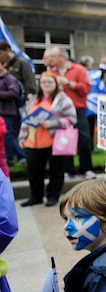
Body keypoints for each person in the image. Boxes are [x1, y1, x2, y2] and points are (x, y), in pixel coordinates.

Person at [18, 71, 77, 206]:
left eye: (50, 82)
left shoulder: (63, 99)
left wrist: (53, 123)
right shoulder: (33, 99)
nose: (46, 85)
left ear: (55, 84)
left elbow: (72, 119)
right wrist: (22, 138)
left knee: (56, 171)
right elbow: (26, 120)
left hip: (54, 141)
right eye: (43, 82)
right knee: (34, 171)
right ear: (40, 84)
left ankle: (53, 196)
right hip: (33, 141)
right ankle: (35, 196)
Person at [45, 47, 93, 177]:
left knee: (84, 138)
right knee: (64, 139)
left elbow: (86, 88)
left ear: (62, 57)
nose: (51, 59)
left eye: (53, 57)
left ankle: (86, 168)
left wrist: (68, 83)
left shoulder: (78, 69)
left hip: (78, 109)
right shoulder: (51, 72)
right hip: (61, 112)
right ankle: (68, 170)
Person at [0, 41, 35, 166]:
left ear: (7, 50)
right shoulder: (5, 70)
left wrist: (29, 98)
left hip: (20, 104)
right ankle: (10, 158)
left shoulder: (21, 63)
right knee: (10, 133)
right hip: (9, 106)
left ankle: (22, 156)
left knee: (14, 133)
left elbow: (30, 84)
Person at [0, 58, 20, 175]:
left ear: (4, 64)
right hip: (1, 112)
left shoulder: (9, 78)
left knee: (8, 136)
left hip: (7, 112)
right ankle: (10, 158)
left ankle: (21, 156)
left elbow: (14, 93)